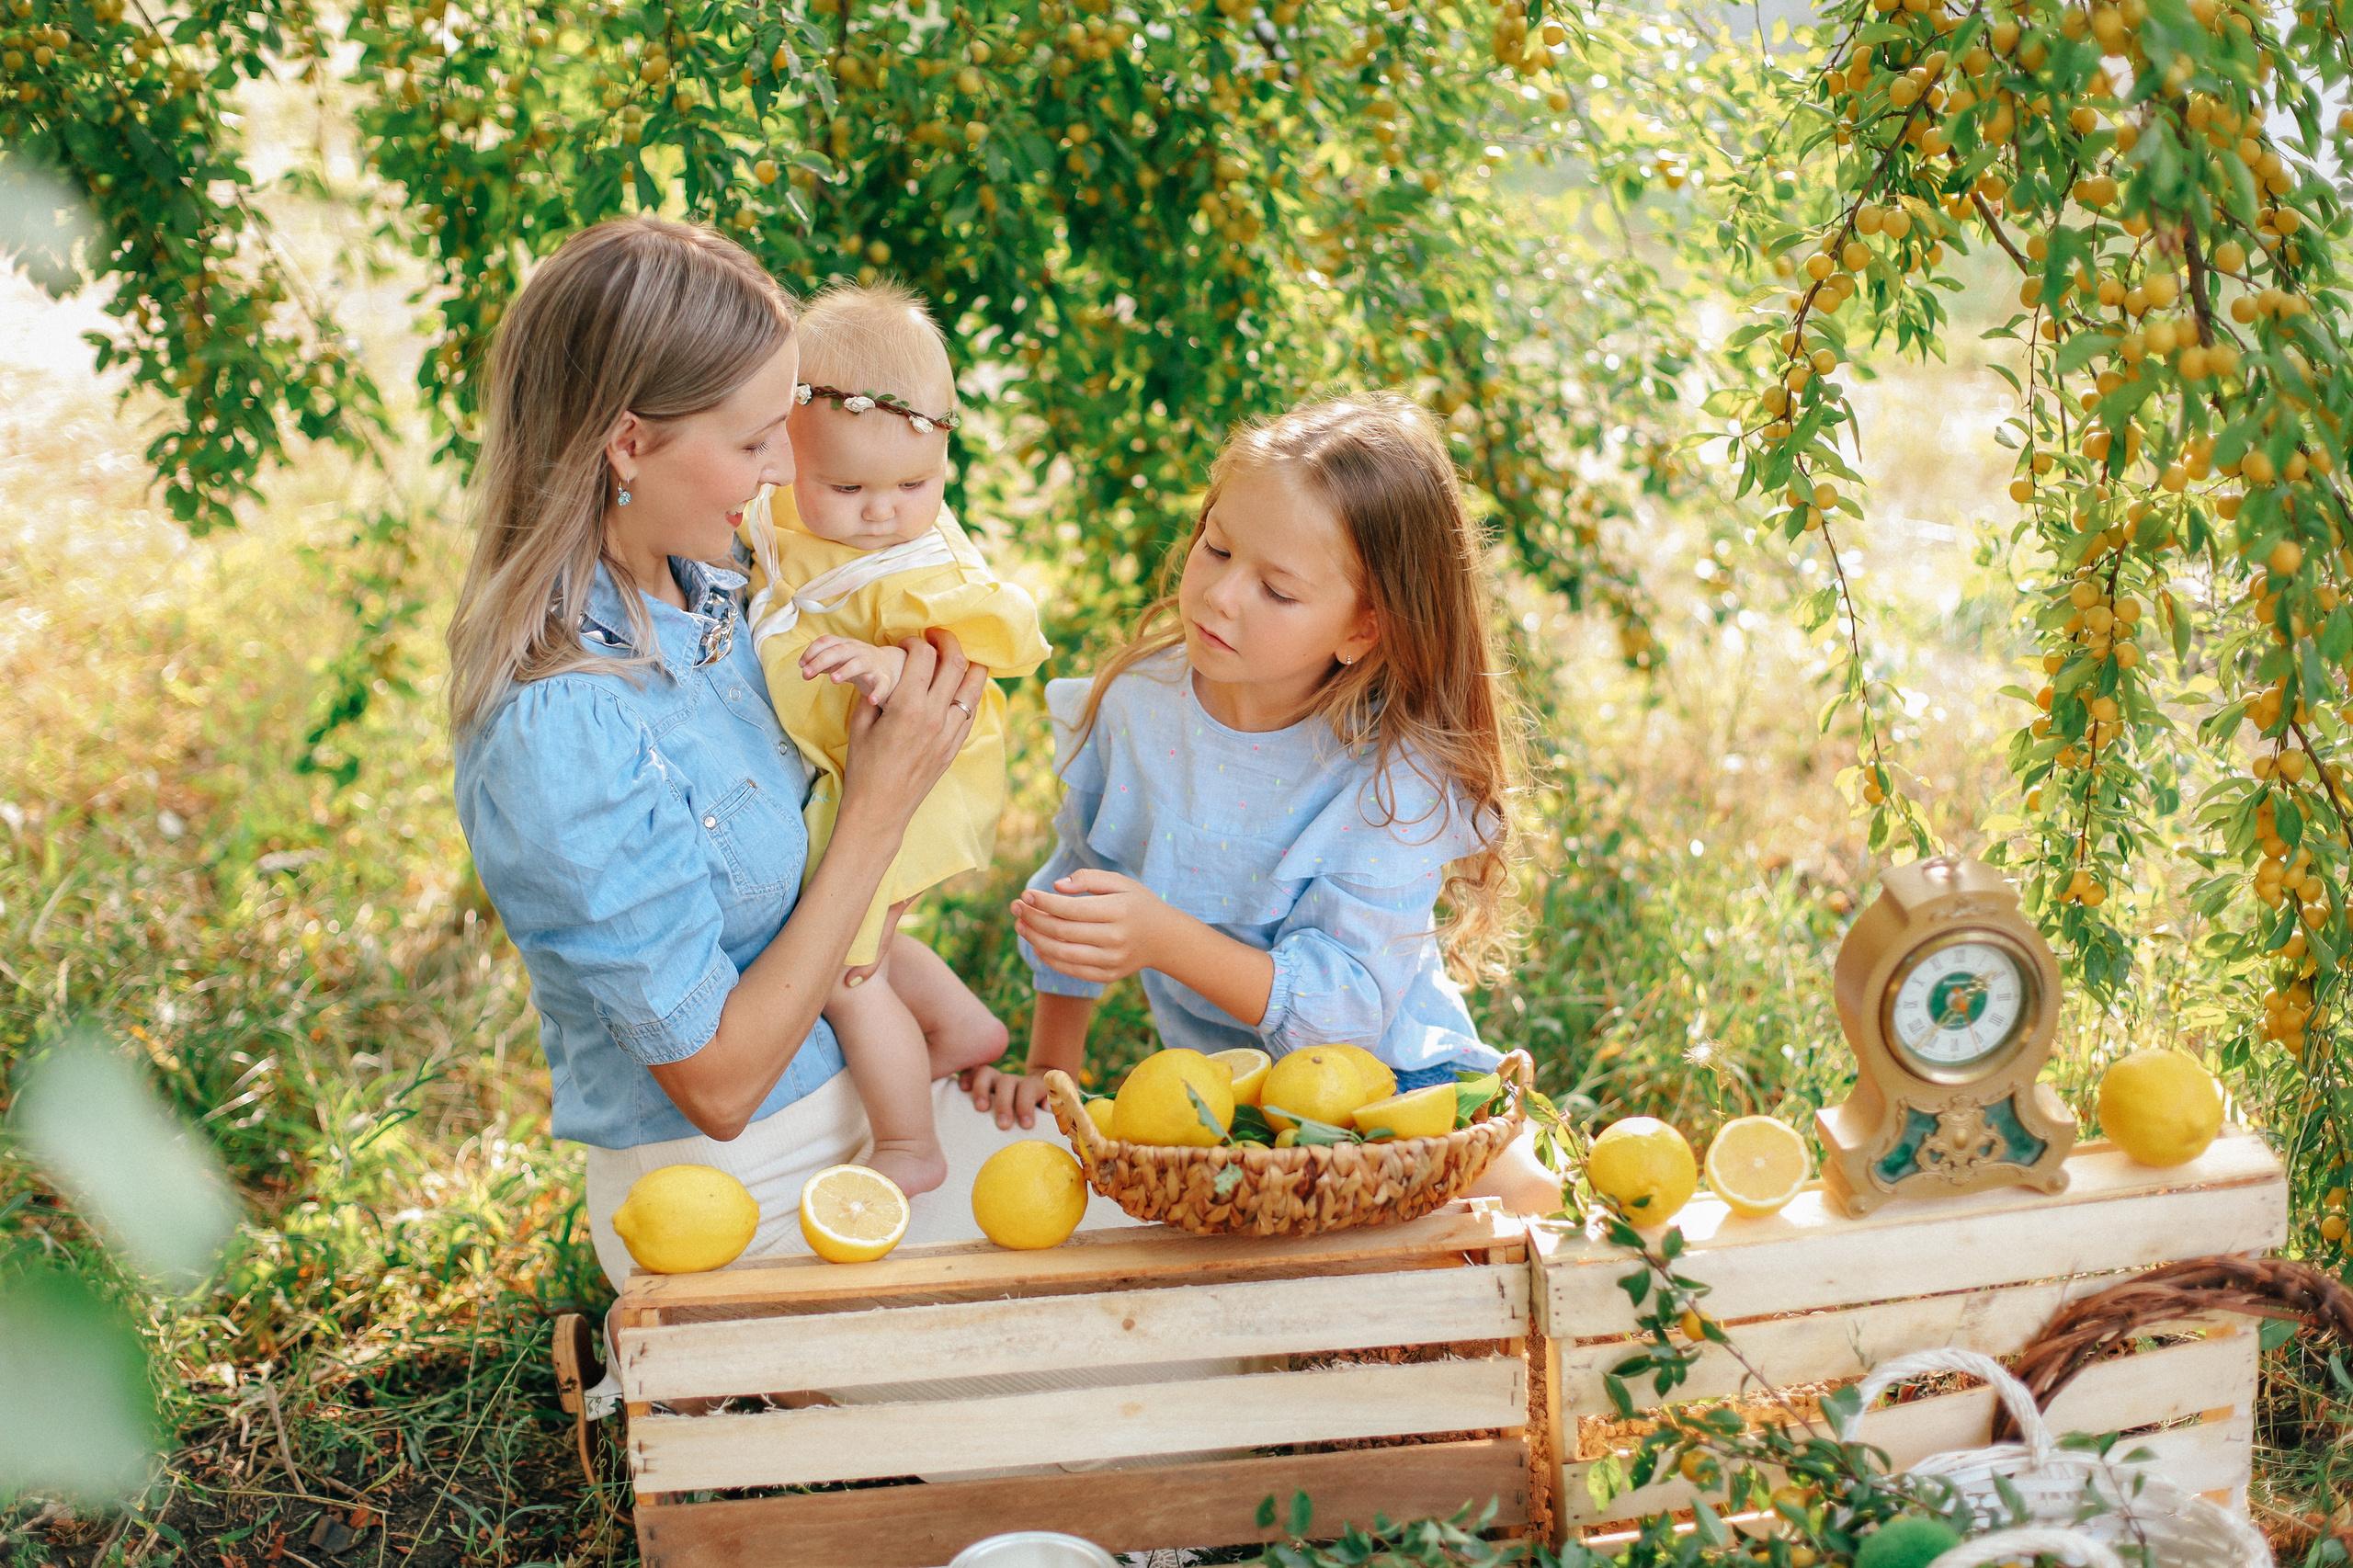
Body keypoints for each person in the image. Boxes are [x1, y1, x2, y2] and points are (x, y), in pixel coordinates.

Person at [444, 216, 1119, 1292]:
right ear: (628, 444)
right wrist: (880, 808)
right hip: (738, 1190)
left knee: (1168, 1245)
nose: (774, 478)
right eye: (755, 441)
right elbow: (716, 1085)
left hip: (878, 1106)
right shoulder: (561, 725)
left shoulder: (715, 592)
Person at [983, 392, 1562, 1212]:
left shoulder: (1393, 776)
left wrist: (1161, 937)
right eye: (1216, 548)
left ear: (1364, 628)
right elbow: (1079, 882)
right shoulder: (1135, 711)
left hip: (1399, 1086)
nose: (1220, 596)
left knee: (1519, 1203)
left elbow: (1348, 1018)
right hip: (1232, 1108)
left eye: (1278, 592)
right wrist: (1055, 1077)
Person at [739, 281, 1046, 1197]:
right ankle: (960, 1028)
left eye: (915, 484)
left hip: (919, 768)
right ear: (783, 447)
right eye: (848, 486)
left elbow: (997, 637)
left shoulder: (917, 565)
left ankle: (911, 1140)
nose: (883, 511)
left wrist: (893, 664)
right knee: (863, 923)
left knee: (840, 960)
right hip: (859, 762)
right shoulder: (790, 517)